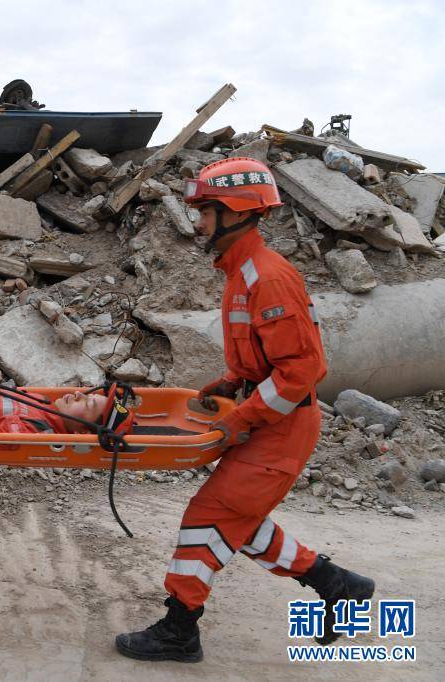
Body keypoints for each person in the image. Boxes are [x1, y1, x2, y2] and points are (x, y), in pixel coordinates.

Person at [114, 158, 375, 663]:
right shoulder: (241, 271)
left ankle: (180, 628)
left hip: (282, 425)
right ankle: (336, 584)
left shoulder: (268, 278)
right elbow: (267, 356)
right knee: (237, 518)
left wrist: (243, 416)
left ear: (236, 211)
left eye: (207, 211)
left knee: (209, 515)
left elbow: (301, 371)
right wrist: (234, 381)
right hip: (270, 416)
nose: (199, 221)